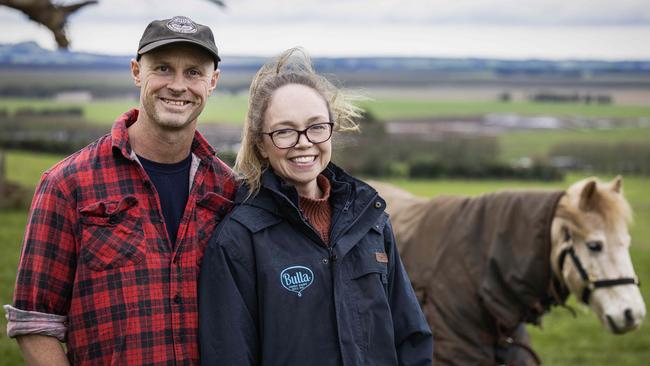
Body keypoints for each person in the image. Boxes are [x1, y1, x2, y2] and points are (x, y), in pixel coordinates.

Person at [4, 16, 237, 365]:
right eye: (162, 68)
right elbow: (35, 322)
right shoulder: (67, 184)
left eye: (193, 72)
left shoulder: (228, 189)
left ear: (213, 81)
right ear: (136, 72)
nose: (177, 85)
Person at [199, 48, 433, 365]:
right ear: (261, 145)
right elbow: (229, 355)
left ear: (330, 130)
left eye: (316, 126)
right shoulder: (238, 241)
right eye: (284, 131)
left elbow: (411, 337)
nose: (304, 142)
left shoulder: (371, 223)